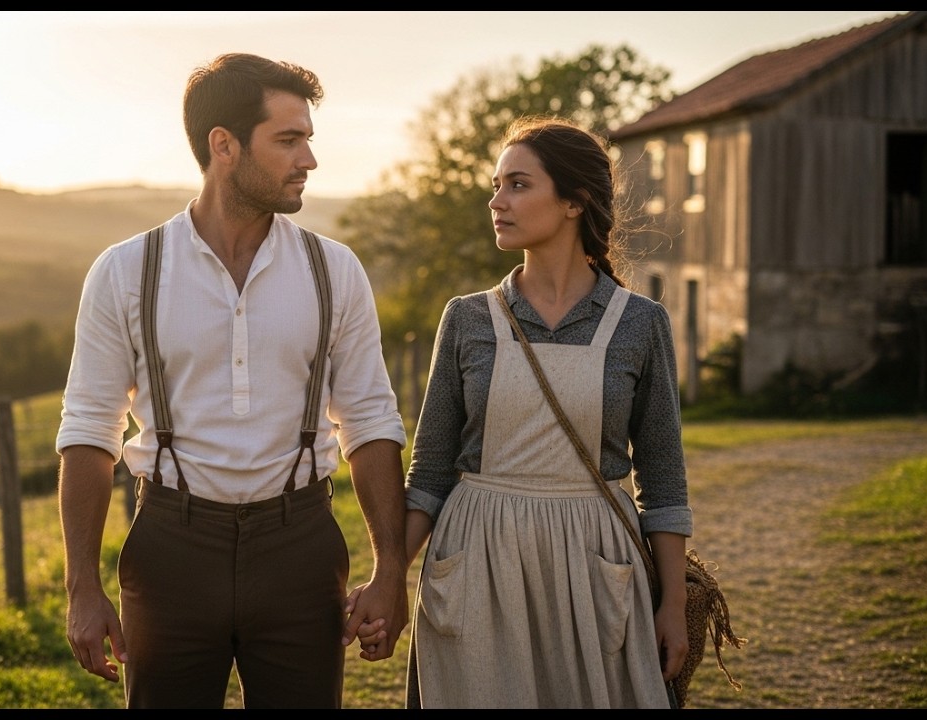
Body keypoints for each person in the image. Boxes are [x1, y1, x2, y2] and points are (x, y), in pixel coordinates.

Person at [55, 52, 409, 709]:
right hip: (171, 551)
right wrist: (82, 586)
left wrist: (391, 571)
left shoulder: (335, 271)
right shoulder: (126, 270)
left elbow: (370, 422)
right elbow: (87, 432)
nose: (308, 159)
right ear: (224, 145)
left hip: (300, 547)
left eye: (308, 139)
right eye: (288, 140)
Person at [356, 115, 693, 707]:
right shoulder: (468, 319)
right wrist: (389, 578)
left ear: (573, 202)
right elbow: (431, 471)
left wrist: (672, 603)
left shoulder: (640, 324)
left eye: (517, 185)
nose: (496, 201)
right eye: (496, 184)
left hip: (595, 565)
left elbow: (662, 480)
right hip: (478, 562)